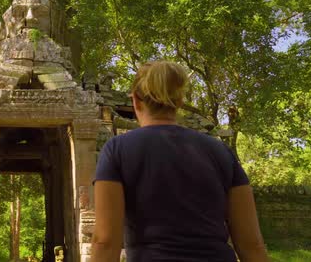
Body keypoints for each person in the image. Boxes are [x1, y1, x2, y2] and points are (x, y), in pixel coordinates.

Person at [91, 61, 269, 262]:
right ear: (179, 101)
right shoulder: (220, 151)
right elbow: (252, 244)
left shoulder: (117, 150)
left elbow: (105, 242)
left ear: (136, 101)